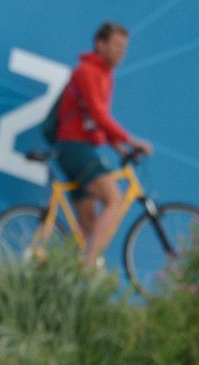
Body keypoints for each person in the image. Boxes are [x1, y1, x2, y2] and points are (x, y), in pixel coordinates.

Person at [51, 21, 154, 269]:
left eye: (124, 46)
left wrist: (120, 149)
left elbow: (97, 124)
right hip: (74, 148)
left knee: (88, 227)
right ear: (100, 43)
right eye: (117, 45)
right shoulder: (87, 71)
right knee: (114, 200)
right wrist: (131, 139)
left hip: (81, 147)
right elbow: (98, 115)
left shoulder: (106, 76)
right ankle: (88, 267)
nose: (121, 51)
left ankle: (74, 273)